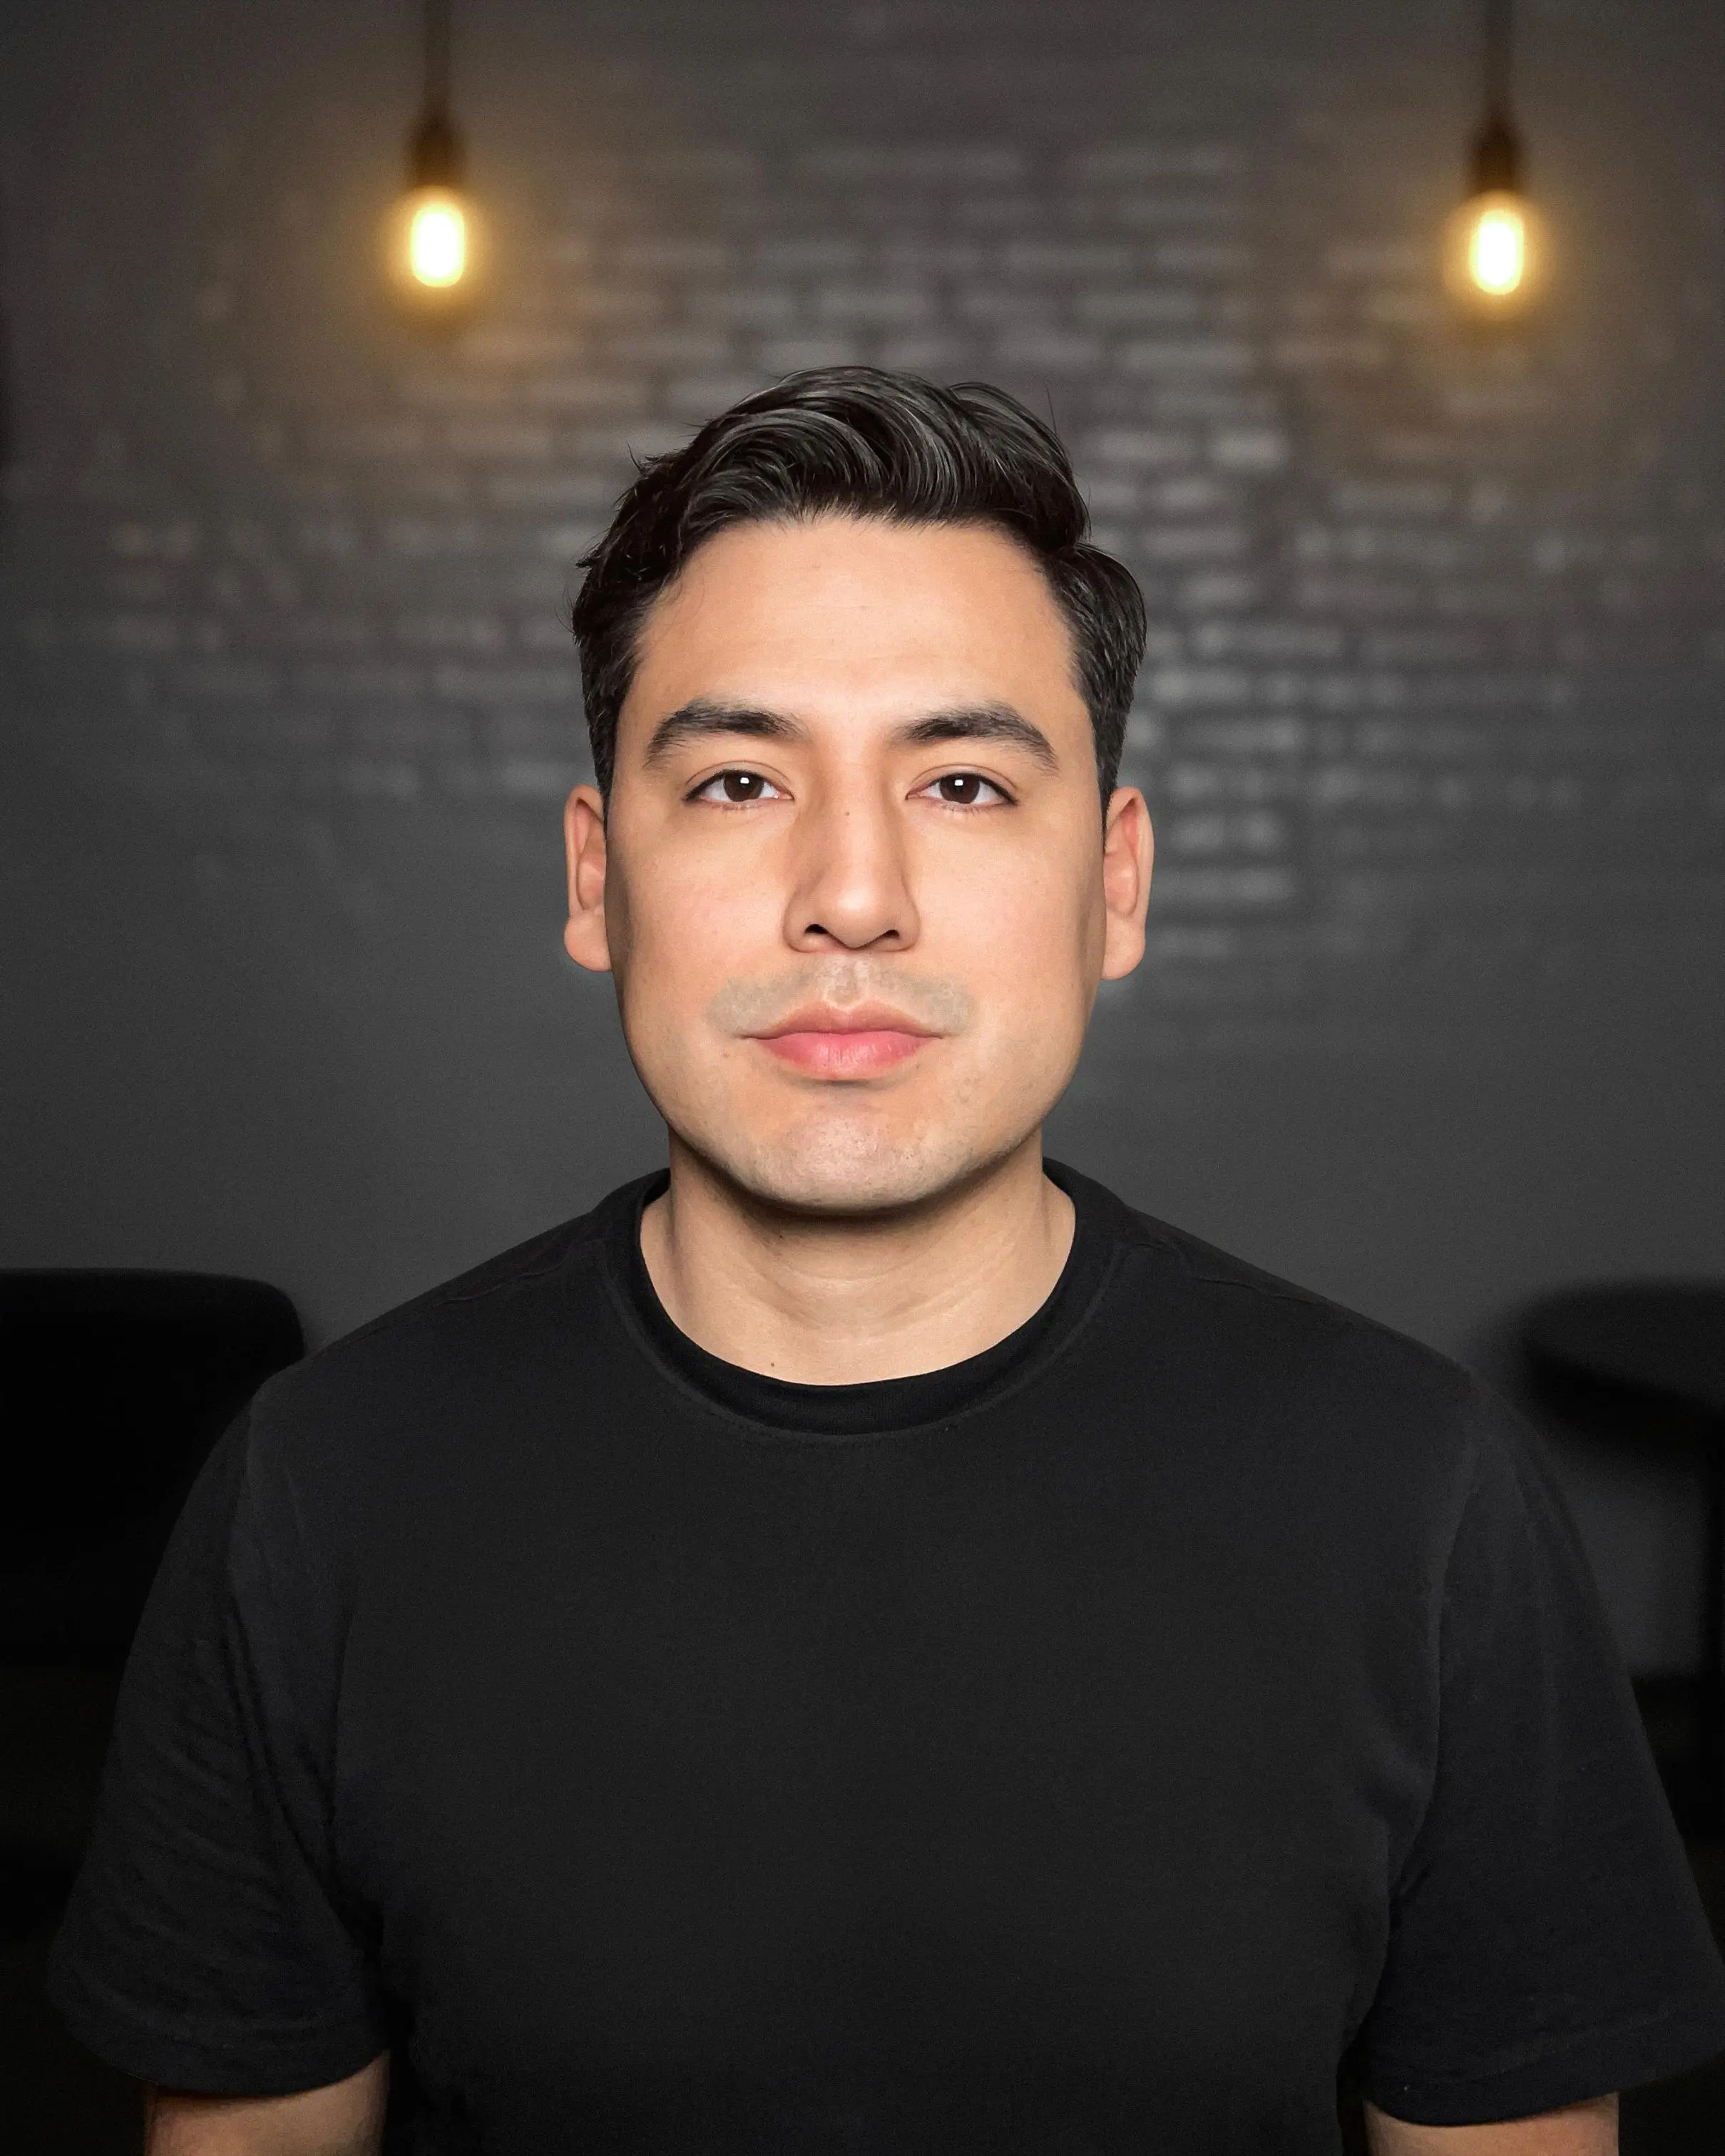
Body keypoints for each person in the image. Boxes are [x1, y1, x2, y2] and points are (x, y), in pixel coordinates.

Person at [50, 368, 1725, 2155]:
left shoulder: (1425, 1501)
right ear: (598, 879)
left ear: (1117, 884)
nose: (852, 894)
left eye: (965, 783)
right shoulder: (319, 1495)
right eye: (740, 779)